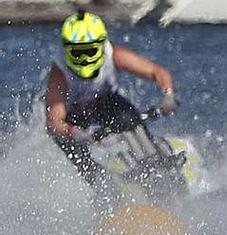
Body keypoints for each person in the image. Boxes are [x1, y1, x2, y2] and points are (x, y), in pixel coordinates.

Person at [44, 10, 179, 193]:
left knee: (127, 118)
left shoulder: (114, 55)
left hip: (106, 103)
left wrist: (168, 96)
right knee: (73, 148)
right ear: (67, 49)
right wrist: (73, 132)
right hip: (74, 117)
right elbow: (53, 122)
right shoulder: (59, 73)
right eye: (77, 53)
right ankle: (104, 191)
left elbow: (158, 73)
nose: (84, 59)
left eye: (89, 51)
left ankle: (155, 165)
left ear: (100, 46)